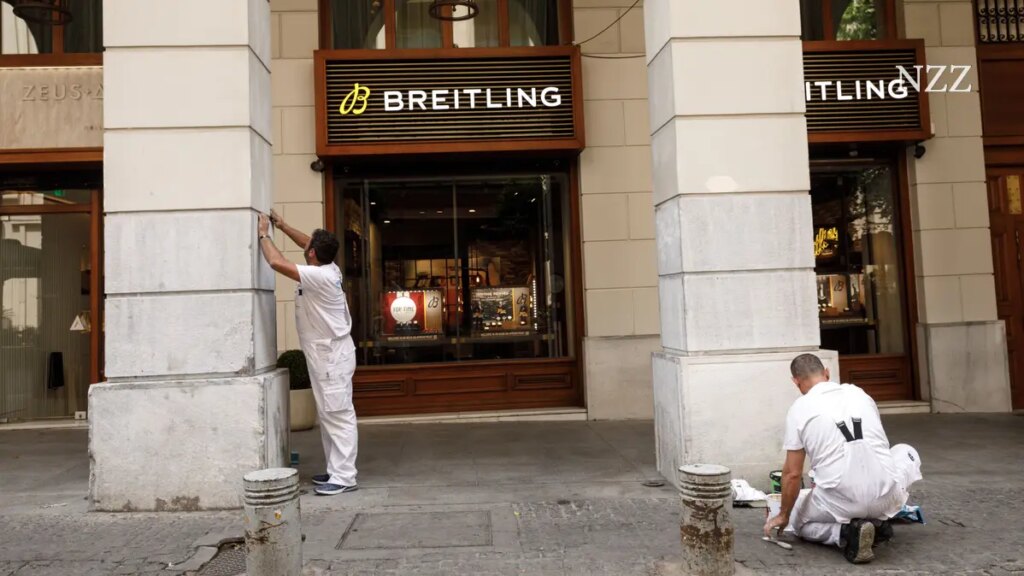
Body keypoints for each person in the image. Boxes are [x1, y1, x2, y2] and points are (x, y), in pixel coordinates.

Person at [764, 353, 922, 564]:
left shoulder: (799, 409)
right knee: (906, 451)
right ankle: (877, 523)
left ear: (796, 382)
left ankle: (847, 532)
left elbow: (792, 474)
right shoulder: (860, 394)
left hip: (839, 501)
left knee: (797, 521)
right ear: (827, 373)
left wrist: (783, 515)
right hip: (886, 494)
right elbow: (877, 443)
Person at [257, 210, 358, 496]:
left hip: (330, 356)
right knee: (328, 414)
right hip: (326, 354)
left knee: (338, 414)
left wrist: (264, 234)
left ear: (313, 253)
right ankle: (336, 469)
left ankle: (345, 476)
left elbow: (276, 262)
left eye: (309, 246)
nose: (305, 245)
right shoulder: (328, 267)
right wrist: (283, 226)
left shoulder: (320, 276)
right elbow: (306, 242)